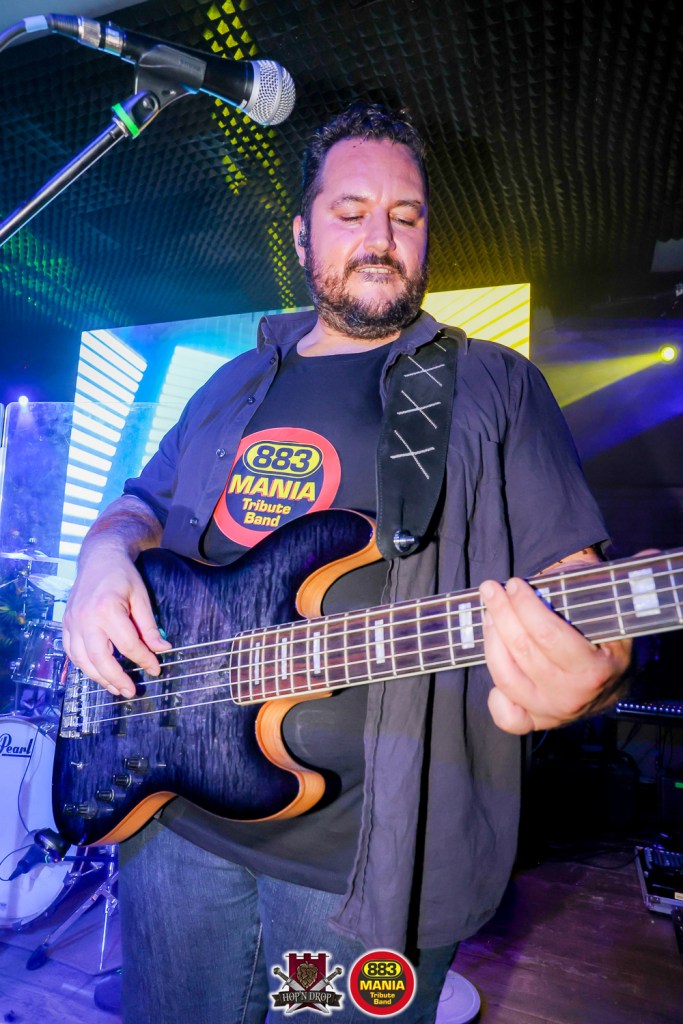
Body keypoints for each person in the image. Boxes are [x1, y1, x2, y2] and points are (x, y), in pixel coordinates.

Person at [62, 102, 631, 1023]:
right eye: (351, 211)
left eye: (405, 216)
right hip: (172, 826)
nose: (381, 238)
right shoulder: (229, 384)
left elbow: (578, 587)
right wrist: (101, 557)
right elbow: (139, 506)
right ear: (300, 234)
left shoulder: (491, 384)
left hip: (361, 879)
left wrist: (592, 668)